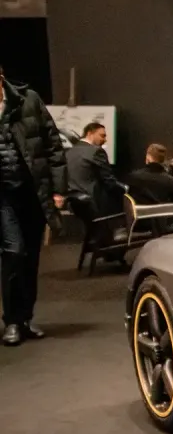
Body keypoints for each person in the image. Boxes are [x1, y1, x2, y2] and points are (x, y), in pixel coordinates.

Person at [0, 63, 66, 346]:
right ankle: (12, 321)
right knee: (14, 252)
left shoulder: (29, 99)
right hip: (3, 196)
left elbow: (53, 145)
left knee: (30, 257)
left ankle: (26, 318)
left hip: (33, 192)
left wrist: (59, 190)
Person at [66, 121, 126, 217]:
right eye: (102, 136)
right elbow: (108, 180)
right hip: (94, 204)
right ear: (90, 133)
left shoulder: (69, 152)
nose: (105, 140)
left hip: (73, 204)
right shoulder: (96, 151)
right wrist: (125, 189)